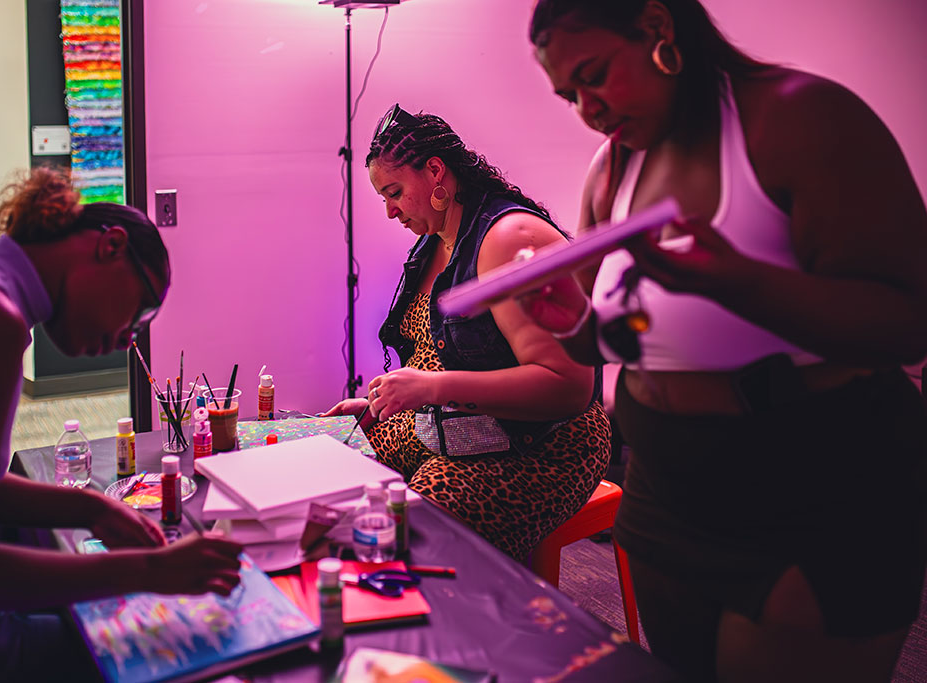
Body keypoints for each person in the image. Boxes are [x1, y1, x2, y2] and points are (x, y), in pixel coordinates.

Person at [521, 1, 927, 681]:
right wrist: (570, 318)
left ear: (657, 25)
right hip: (666, 492)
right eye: (570, 94)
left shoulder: (799, 119)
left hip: (807, 488)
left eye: (595, 76)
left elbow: (907, 319)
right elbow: (622, 340)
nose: (587, 108)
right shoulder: (614, 166)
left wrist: (737, 280)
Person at [0, 168, 245, 681]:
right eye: (140, 313)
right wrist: (154, 571)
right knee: (175, 651)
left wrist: (90, 508)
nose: (128, 339)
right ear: (110, 247)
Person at [324, 107, 611, 561]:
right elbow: (439, 356)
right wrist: (389, 400)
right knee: (333, 475)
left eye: (394, 192)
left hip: (539, 446)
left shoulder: (510, 240)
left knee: (409, 537)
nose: (390, 210)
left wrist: (433, 388)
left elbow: (568, 388)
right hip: (456, 423)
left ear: (435, 170)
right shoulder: (436, 240)